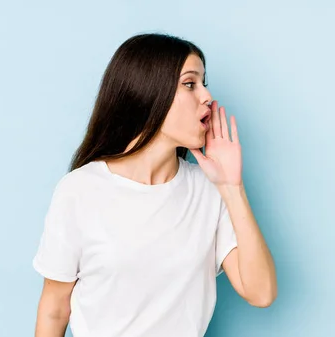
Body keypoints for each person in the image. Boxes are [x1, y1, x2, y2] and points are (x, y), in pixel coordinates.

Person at [32, 33, 277, 337]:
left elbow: (261, 292)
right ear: (149, 92)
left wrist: (232, 187)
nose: (206, 97)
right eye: (190, 84)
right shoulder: (80, 190)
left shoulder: (208, 190)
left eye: (204, 83)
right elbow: (54, 310)